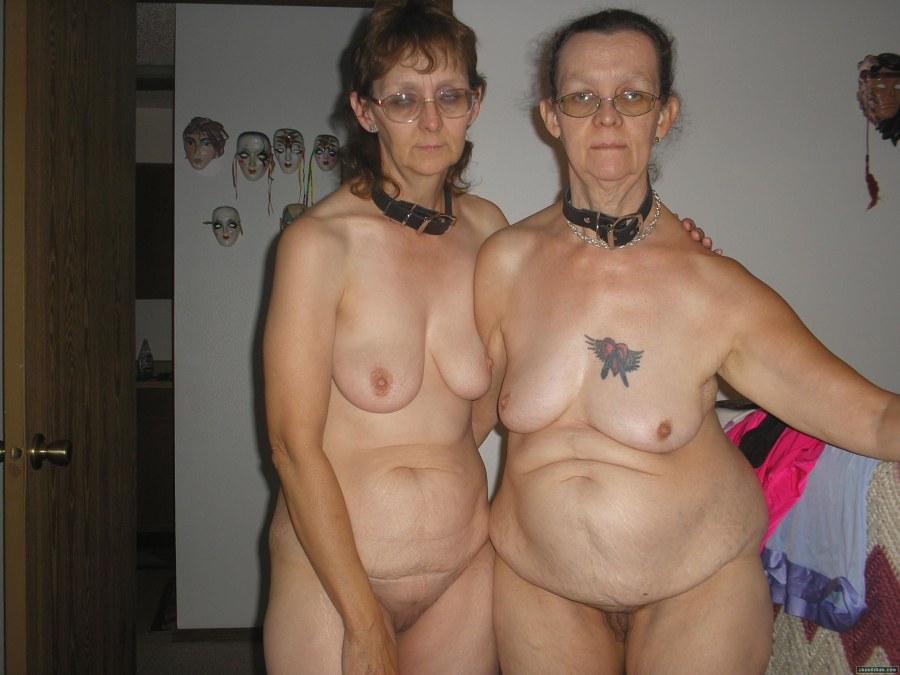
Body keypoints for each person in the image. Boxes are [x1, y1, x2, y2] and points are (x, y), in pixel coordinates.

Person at [473, 9, 900, 675]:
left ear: (664, 115)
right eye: (582, 96)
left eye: (632, 96)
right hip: (539, 587)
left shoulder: (713, 288)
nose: (607, 117)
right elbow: (454, 418)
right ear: (551, 116)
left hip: (698, 587)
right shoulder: (502, 264)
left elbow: (871, 417)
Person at [261, 2, 505, 673]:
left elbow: (506, 379)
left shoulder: (490, 231)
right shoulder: (318, 243)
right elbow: (290, 445)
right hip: (334, 582)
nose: (430, 120)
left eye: (449, 96)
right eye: (402, 99)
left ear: (474, 103)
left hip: (464, 570)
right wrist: (364, 624)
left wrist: (669, 237)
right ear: (365, 111)